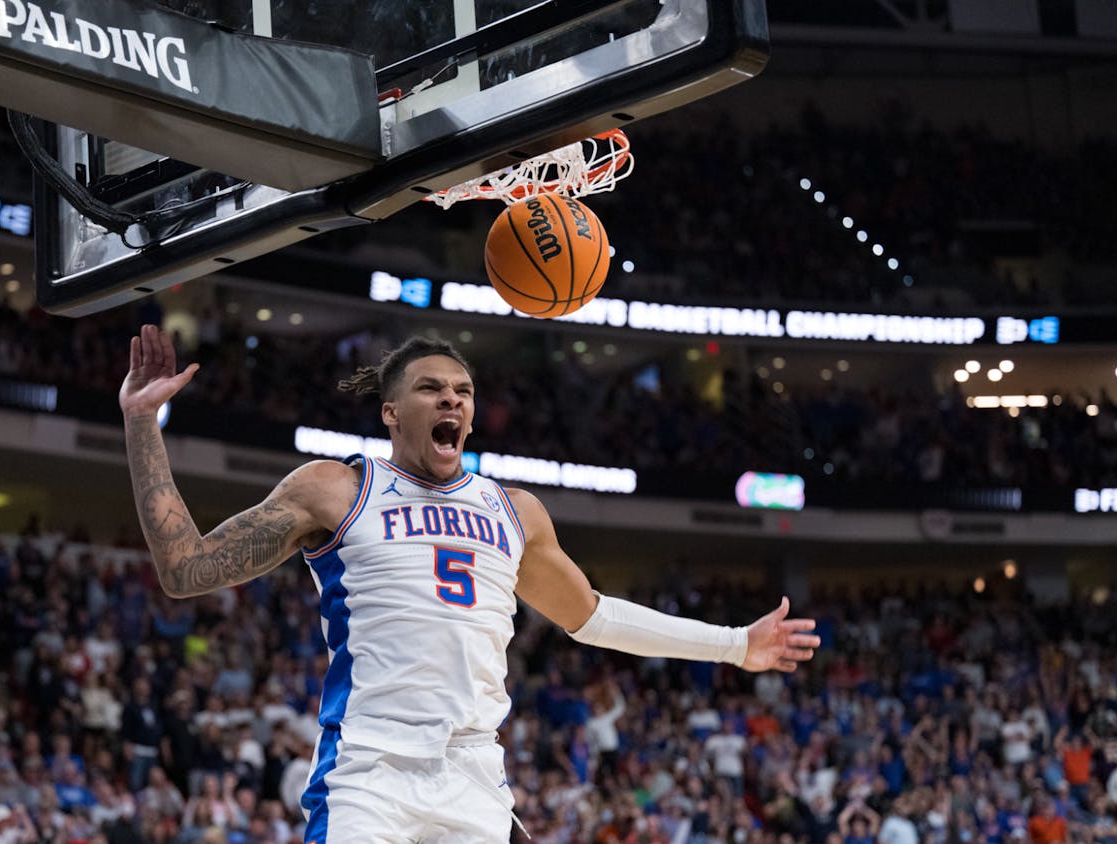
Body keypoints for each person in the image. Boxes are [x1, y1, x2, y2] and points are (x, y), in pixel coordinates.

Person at [119, 326, 821, 843]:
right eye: (430, 389)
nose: (450, 400)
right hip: (372, 770)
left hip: (473, 776)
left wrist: (736, 644)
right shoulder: (337, 488)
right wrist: (142, 423)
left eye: (463, 392)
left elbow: (595, 618)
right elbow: (187, 568)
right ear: (392, 411)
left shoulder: (514, 512)